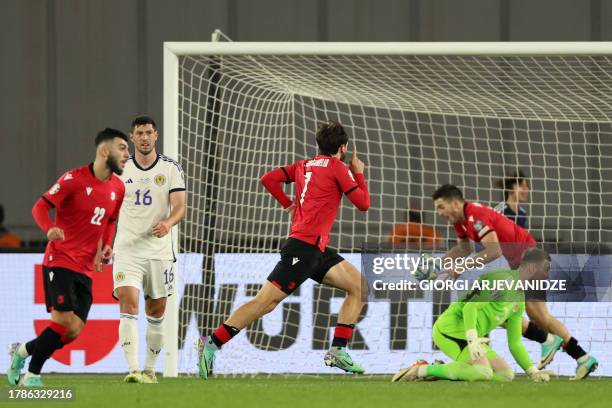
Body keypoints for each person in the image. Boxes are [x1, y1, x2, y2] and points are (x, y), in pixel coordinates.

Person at [197, 121, 370, 379]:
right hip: (305, 248)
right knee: (265, 303)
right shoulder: (339, 168)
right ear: (342, 148)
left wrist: (288, 204)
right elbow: (364, 204)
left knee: (359, 287)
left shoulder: (303, 165)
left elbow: (268, 179)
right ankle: (211, 342)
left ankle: (338, 350)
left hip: (315, 248)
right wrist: (358, 173)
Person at [425, 184, 598, 380]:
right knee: (507, 314)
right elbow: (463, 250)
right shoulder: (461, 221)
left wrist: (461, 268)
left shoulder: (475, 217)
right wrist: (437, 266)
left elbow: (494, 251)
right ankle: (561, 346)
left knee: (537, 316)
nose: (438, 213)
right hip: (521, 263)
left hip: (530, 260)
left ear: (455, 203)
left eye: (441, 207)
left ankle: (574, 353)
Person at [6, 128, 128, 387]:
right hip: (60, 260)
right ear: (104, 151)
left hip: (85, 267)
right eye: (122, 148)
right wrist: (48, 229)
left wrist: (107, 245)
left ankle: (21, 353)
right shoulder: (73, 179)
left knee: (73, 330)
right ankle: (32, 375)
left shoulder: (118, 187)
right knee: (62, 321)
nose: (127, 154)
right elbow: (40, 207)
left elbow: (111, 220)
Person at [393, 248, 552, 383]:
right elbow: (470, 307)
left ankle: (445, 369)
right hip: (450, 329)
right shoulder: (502, 280)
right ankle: (421, 370)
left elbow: (515, 343)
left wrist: (532, 371)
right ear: (531, 268)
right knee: (483, 372)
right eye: (546, 269)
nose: (547, 275)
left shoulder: (519, 299)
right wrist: (472, 338)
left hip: (471, 337)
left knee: (506, 375)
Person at [113, 116, 186, 383]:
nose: (144, 137)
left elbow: (180, 206)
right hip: (127, 249)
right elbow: (110, 209)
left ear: (156, 136)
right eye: (139, 133)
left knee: (156, 311)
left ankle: (150, 370)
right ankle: (133, 370)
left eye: (149, 133)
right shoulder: (120, 170)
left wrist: (168, 222)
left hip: (159, 251)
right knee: (128, 303)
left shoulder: (170, 168)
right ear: (132, 138)